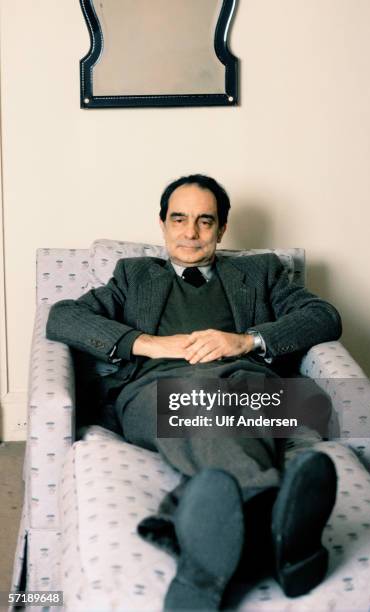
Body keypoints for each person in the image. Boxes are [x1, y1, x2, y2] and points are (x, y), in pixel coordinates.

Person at [46, 174, 342, 610]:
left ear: (222, 228)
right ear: (162, 224)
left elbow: (323, 316)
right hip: (155, 389)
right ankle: (275, 533)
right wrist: (145, 343)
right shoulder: (133, 276)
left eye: (205, 221)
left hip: (248, 382)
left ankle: (201, 559)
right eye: (179, 219)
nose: (190, 232)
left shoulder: (259, 273)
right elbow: (63, 316)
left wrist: (246, 341)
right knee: (200, 403)